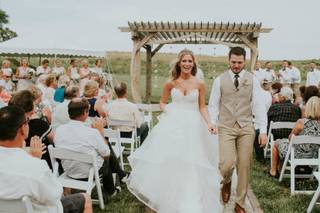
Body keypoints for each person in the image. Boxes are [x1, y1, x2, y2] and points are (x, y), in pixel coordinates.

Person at [127, 49, 221, 213]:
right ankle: (164, 197)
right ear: (179, 63)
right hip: (173, 125)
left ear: (193, 64)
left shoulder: (200, 84)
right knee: (170, 159)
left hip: (193, 126)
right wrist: (170, 111)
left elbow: (202, 106)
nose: (186, 64)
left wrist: (209, 123)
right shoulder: (170, 83)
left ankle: (190, 200)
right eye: (184, 61)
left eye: (189, 61)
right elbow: (162, 103)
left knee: (192, 161)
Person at [0, 106, 92, 213]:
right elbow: (55, 195)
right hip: (41, 210)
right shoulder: (36, 166)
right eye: (27, 121)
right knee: (85, 198)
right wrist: (35, 160)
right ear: (23, 128)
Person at [208, 47, 267, 213]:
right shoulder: (219, 80)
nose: (236, 65)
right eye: (233, 62)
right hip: (226, 126)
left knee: (244, 165)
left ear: (244, 61)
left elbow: (258, 105)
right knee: (226, 164)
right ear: (229, 60)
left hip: (246, 127)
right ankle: (226, 181)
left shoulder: (252, 79)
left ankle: (240, 203)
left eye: (240, 62)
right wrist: (213, 121)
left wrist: (262, 130)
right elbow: (213, 104)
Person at [54, 98, 127, 196]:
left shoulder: (59, 131)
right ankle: (113, 188)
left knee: (100, 153)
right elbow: (106, 154)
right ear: (85, 113)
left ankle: (120, 176)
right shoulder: (92, 133)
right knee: (105, 157)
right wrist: (101, 132)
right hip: (89, 173)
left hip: (69, 171)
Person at [270, 96, 320, 177]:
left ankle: (273, 171)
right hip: (314, 157)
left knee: (276, 143)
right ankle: (280, 169)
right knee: (282, 143)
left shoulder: (301, 122)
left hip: (295, 155)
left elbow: (290, 139)